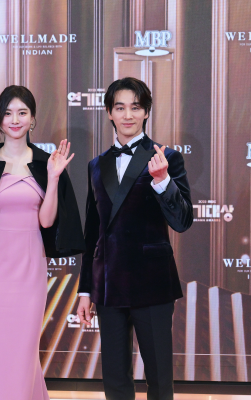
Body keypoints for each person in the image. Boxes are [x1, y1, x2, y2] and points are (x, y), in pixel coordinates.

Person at [0, 85, 85, 400]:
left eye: (22, 112)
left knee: (24, 350)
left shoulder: (47, 163)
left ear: (33, 119)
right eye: (8, 113)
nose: (15, 120)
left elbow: (46, 221)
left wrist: (53, 179)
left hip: (30, 270)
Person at [76, 77, 193, 400]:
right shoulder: (96, 165)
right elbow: (92, 233)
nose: (128, 115)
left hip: (152, 283)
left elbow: (183, 221)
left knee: (159, 378)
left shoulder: (166, 158)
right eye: (120, 108)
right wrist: (85, 289)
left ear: (146, 112)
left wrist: (163, 181)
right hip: (109, 284)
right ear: (109, 113)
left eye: (136, 107)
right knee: (115, 379)